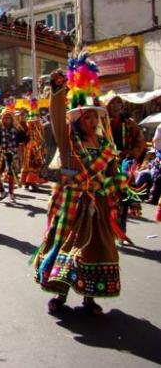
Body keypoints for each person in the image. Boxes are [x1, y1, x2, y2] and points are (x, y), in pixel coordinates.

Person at [33, 54, 128, 316]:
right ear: (77, 120)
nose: (93, 121)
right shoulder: (68, 142)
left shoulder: (106, 146)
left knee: (97, 248)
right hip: (71, 203)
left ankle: (90, 295)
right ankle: (60, 294)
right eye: (87, 118)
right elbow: (55, 114)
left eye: (96, 118)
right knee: (63, 245)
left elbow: (113, 173)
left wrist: (117, 188)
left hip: (97, 204)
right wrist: (57, 90)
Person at [105, 94, 146, 233]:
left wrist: (132, 155)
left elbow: (140, 142)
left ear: (122, 107)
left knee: (125, 196)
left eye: (118, 103)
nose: (116, 106)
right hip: (106, 163)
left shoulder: (130, 123)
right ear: (107, 106)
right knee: (105, 196)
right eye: (112, 103)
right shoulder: (102, 123)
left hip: (124, 162)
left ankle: (121, 228)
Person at [0, 99, 28, 203]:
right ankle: (2, 192)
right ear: (2, 118)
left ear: (12, 118)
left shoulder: (18, 129)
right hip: (1, 152)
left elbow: (23, 141)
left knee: (11, 174)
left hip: (13, 154)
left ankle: (11, 193)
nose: (7, 119)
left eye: (9, 117)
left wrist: (21, 156)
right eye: (5, 117)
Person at [20, 98, 48, 191]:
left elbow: (40, 135)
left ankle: (28, 183)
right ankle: (31, 183)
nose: (38, 117)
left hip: (34, 146)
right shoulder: (32, 123)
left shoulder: (36, 123)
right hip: (33, 147)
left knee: (30, 165)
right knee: (33, 164)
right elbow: (33, 135)